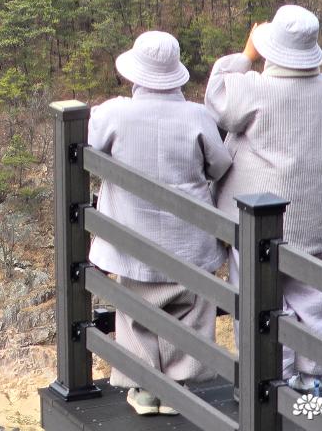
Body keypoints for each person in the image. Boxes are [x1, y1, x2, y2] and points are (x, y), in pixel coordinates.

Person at [89, 31, 231, 417]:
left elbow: (90, 144)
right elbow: (219, 165)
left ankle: (145, 389)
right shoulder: (197, 116)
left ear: (136, 74)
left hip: (132, 237)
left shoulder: (115, 113)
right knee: (191, 310)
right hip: (190, 240)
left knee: (136, 312)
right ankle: (178, 388)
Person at [205, 6, 322, 396]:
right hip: (315, 215)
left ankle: (267, 379)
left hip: (259, 220)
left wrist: (246, 56)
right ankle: (310, 378)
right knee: (314, 298)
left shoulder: (257, 87)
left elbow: (216, 100)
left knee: (259, 298)